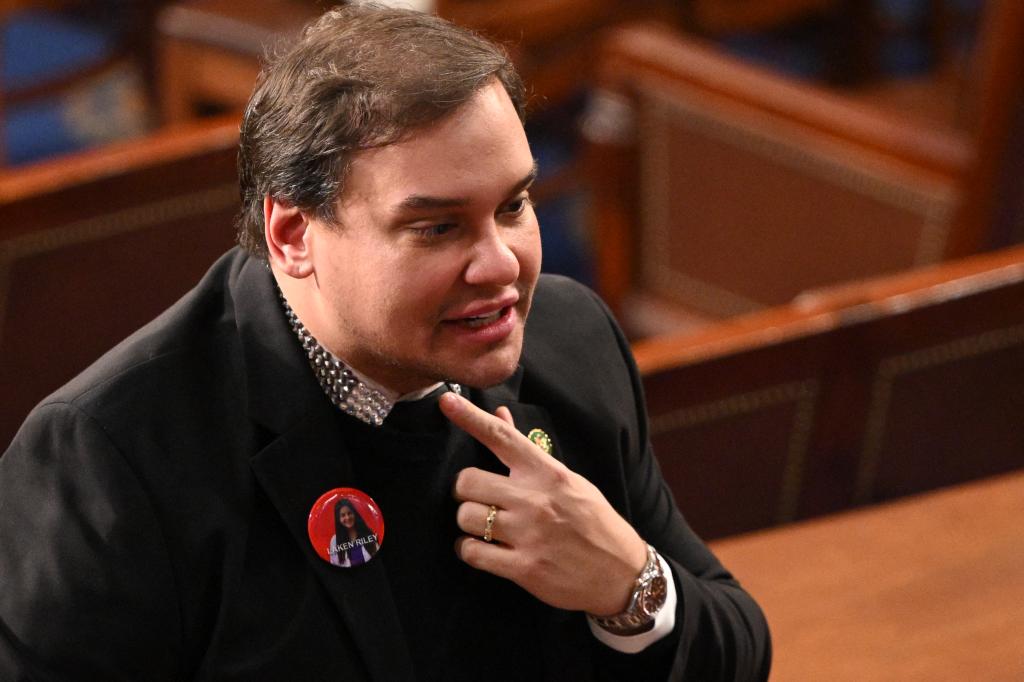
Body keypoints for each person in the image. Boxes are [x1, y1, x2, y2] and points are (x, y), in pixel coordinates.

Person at [0, 4, 770, 680]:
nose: (503, 264)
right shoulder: (111, 457)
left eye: (514, 205)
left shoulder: (571, 340)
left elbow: (738, 646)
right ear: (293, 232)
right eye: (437, 228)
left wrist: (630, 587)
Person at [329, 499, 380, 567]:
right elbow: (334, 565)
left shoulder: (367, 534)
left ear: (355, 514)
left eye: (349, 513)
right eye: (343, 515)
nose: (347, 517)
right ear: (339, 519)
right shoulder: (334, 541)